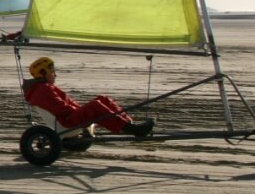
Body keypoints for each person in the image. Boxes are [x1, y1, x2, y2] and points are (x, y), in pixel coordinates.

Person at [22, 57, 155, 137]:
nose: (55, 75)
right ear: (43, 73)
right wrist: (84, 112)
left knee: (102, 99)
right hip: (66, 123)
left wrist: (82, 110)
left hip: (67, 119)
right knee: (95, 106)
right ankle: (132, 129)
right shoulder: (43, 90)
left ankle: (128, 124)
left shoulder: (44, 87)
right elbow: (62, 108)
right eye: (52, 72)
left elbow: (66, 103)